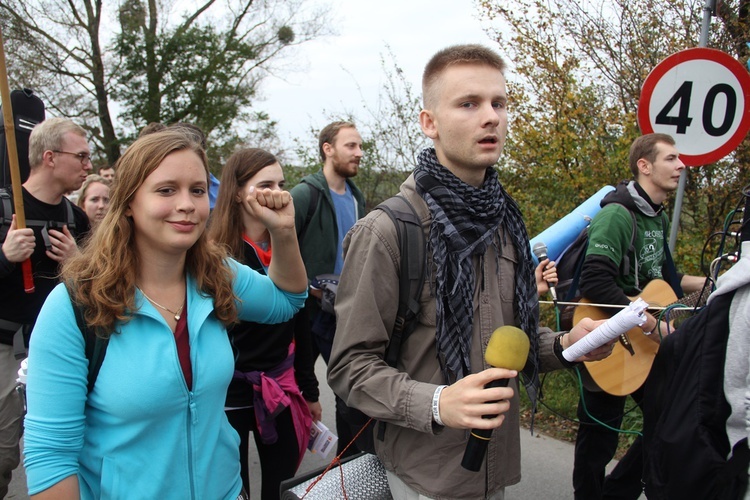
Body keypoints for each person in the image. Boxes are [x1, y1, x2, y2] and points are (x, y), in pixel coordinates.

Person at [327, 44, 611, 500]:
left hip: (491, 474)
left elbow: (507, 341)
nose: (491, 116)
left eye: (499, 103)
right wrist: (439, 403)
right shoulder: (387, 231)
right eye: (469, 103)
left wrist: (566, 346)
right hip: (420, 477)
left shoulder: (507, 224)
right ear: (429, 123)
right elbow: (349, 368)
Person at [22, 129, 307, 499]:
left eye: (198, 190)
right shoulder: (74, 306)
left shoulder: (216, 274)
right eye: (166, 190)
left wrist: (283, 232)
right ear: (128, 202)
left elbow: (286, 300)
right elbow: (51, 459)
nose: (187, 204)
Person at [572, 133, 706, 500]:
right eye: (671, 158)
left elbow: (670, 281)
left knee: (669, 420)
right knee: (599, 438)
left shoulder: (656, 218)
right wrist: (646, 321)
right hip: (606, 336)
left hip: (641, 340)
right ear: (645, 166)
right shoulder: (618, 213)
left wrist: (719, 283)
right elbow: (595, 279)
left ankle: (617, 492)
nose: (682, 165)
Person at [208, 148, 322, 499]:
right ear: (238, 191)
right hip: (228, 394)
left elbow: (300, 320)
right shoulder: (214, 252)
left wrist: (309, 388)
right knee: (233, 489)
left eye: (281, 184)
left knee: (283, 486)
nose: (277, 192)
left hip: (280, 387)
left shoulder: (284, 243)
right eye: (265, 184)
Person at [0, 117, 92, 498]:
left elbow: (97, 288)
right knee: (3, 454)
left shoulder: (78, 219)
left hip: (61, 352)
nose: (88, 164)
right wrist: (5, 258)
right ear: (50, 157)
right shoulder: (4, 206)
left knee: (63, 451)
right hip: (6, 349)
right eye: (82, 156)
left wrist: (79, 261)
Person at [290, 120, 366, 457]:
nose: (359, 153)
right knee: (295, 386)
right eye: (351, 146)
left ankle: (348, 466)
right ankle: (285, 461)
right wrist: (304, 286)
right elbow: (278, 243)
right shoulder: (305, 193)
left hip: (344, 310)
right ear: (328, 149)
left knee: (347, 388)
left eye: (360, 146)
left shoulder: (356, 198)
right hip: (306, 310)